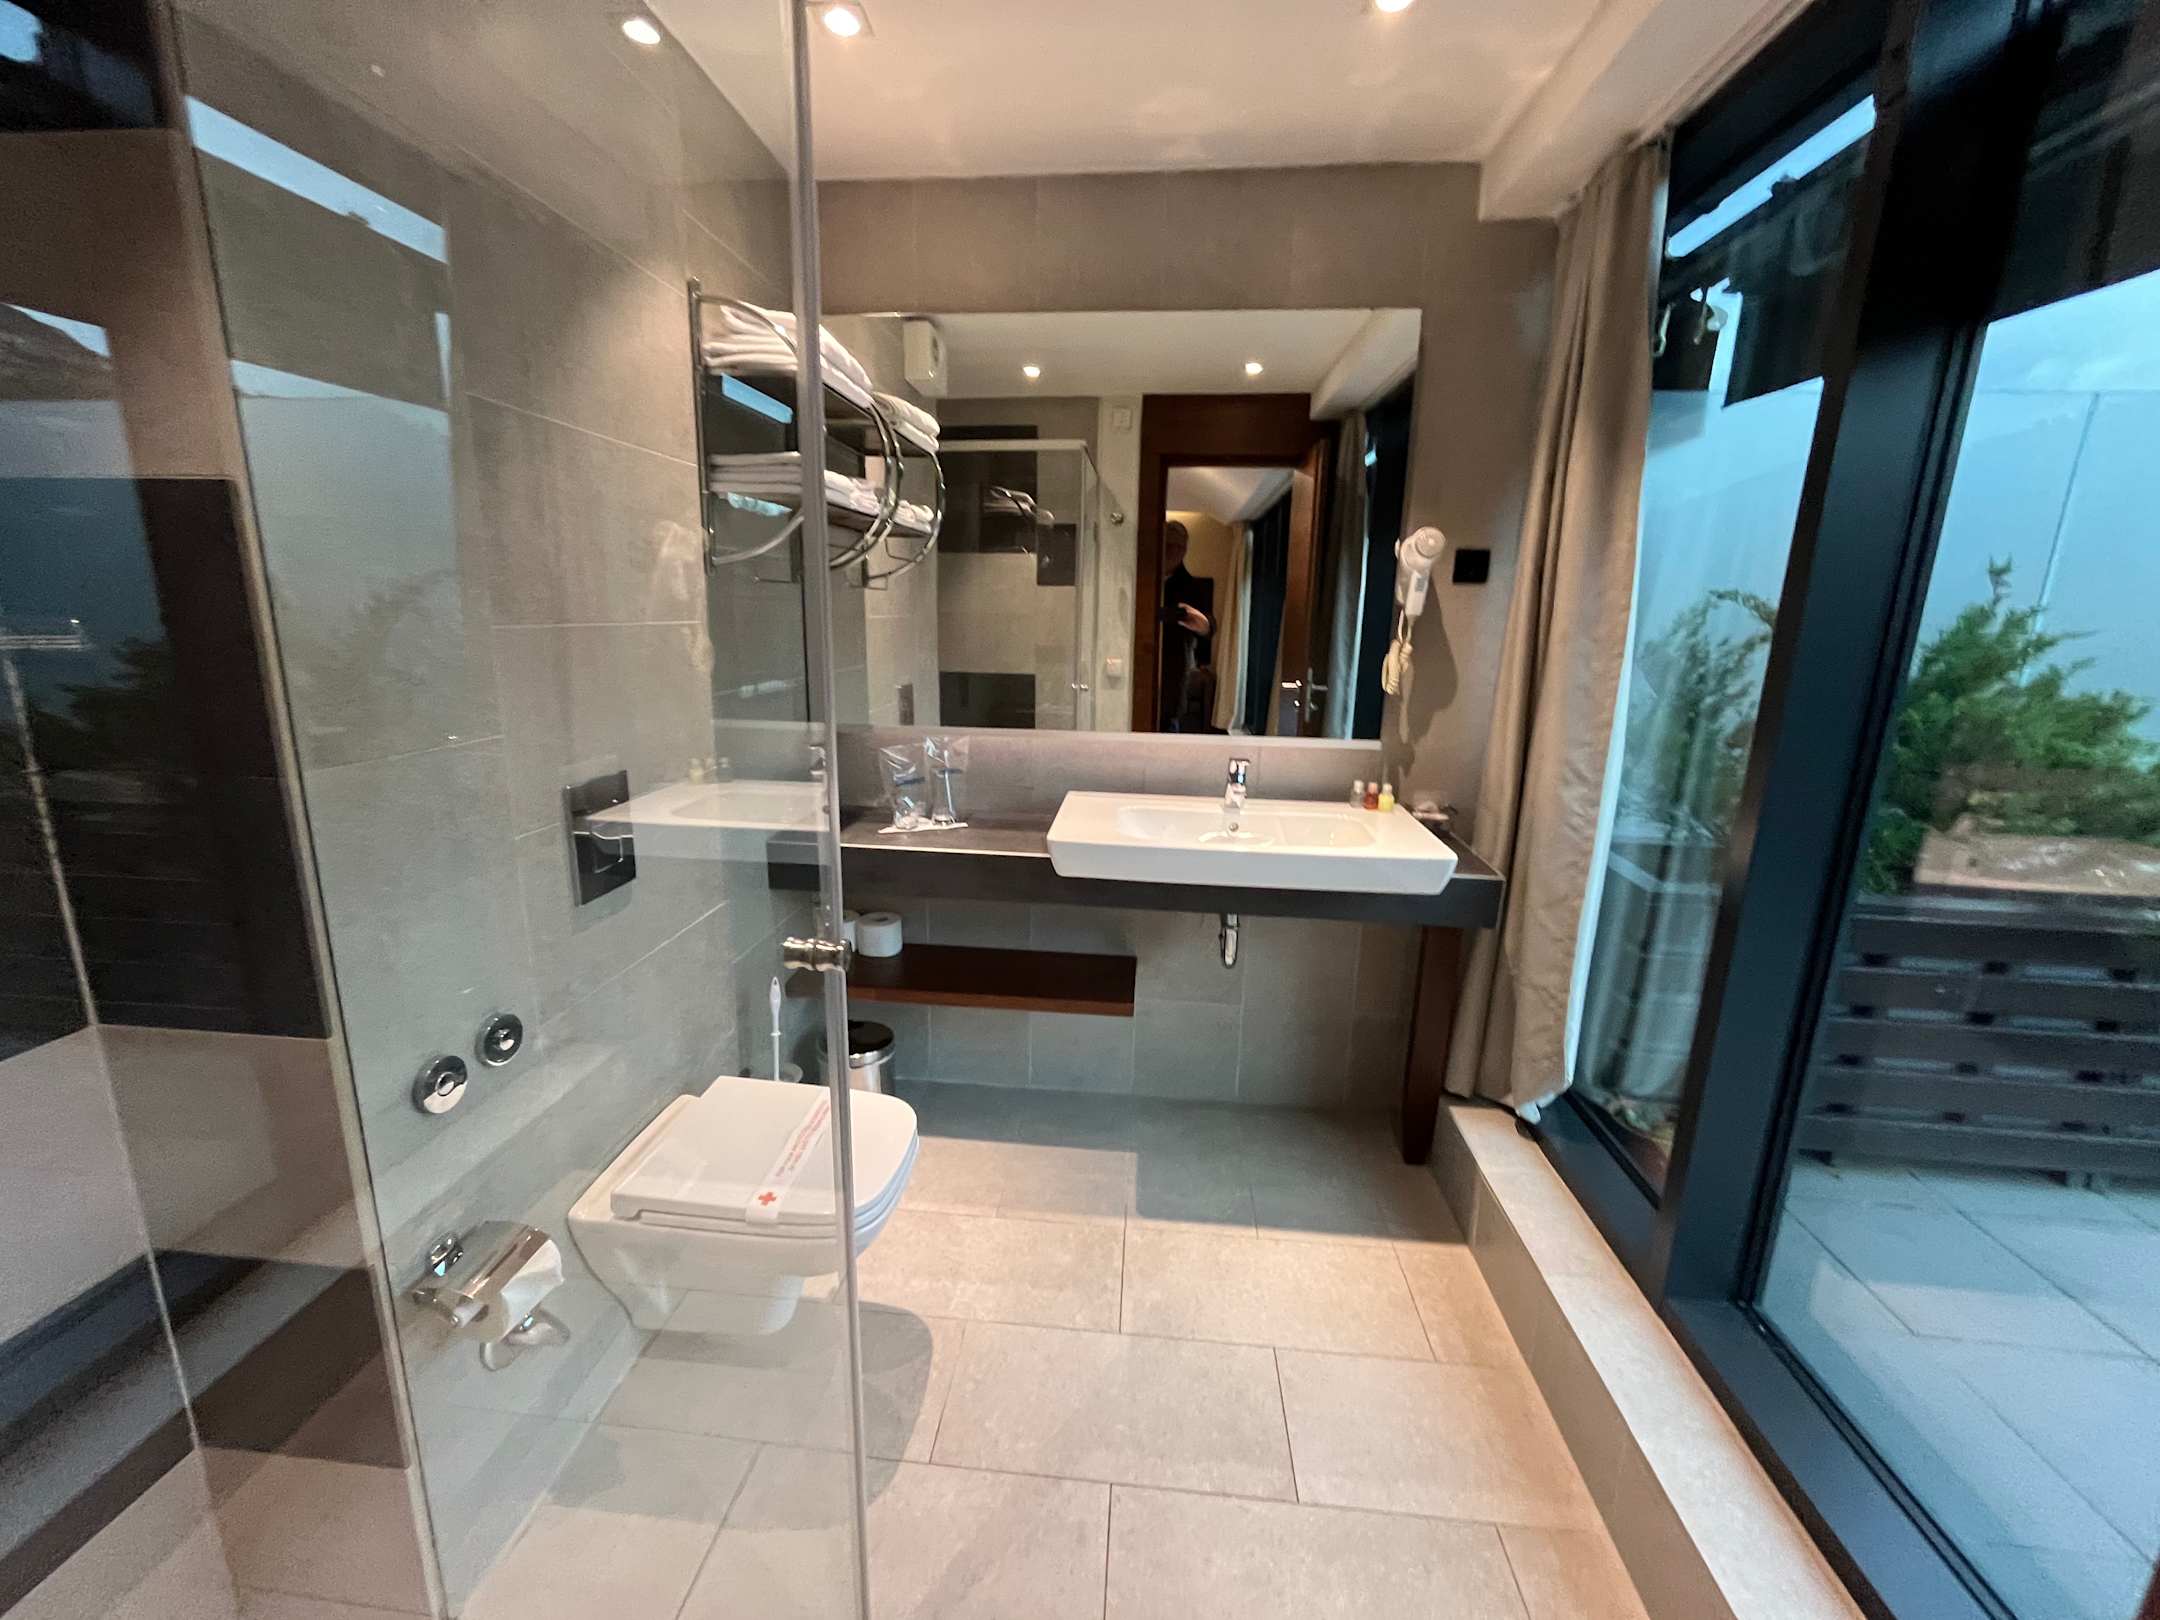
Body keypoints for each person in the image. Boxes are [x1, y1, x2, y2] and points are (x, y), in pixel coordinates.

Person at [1157, 520, 1213, 730]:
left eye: (1179, 547)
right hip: (1135, 665)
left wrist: (1203, 625)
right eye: (1169, 545)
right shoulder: (1138, 579)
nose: (1173, 551)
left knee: (1169, 725)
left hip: (1173, 670)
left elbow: (1208, 624)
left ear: (1185, 550)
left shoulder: (1193, 587)